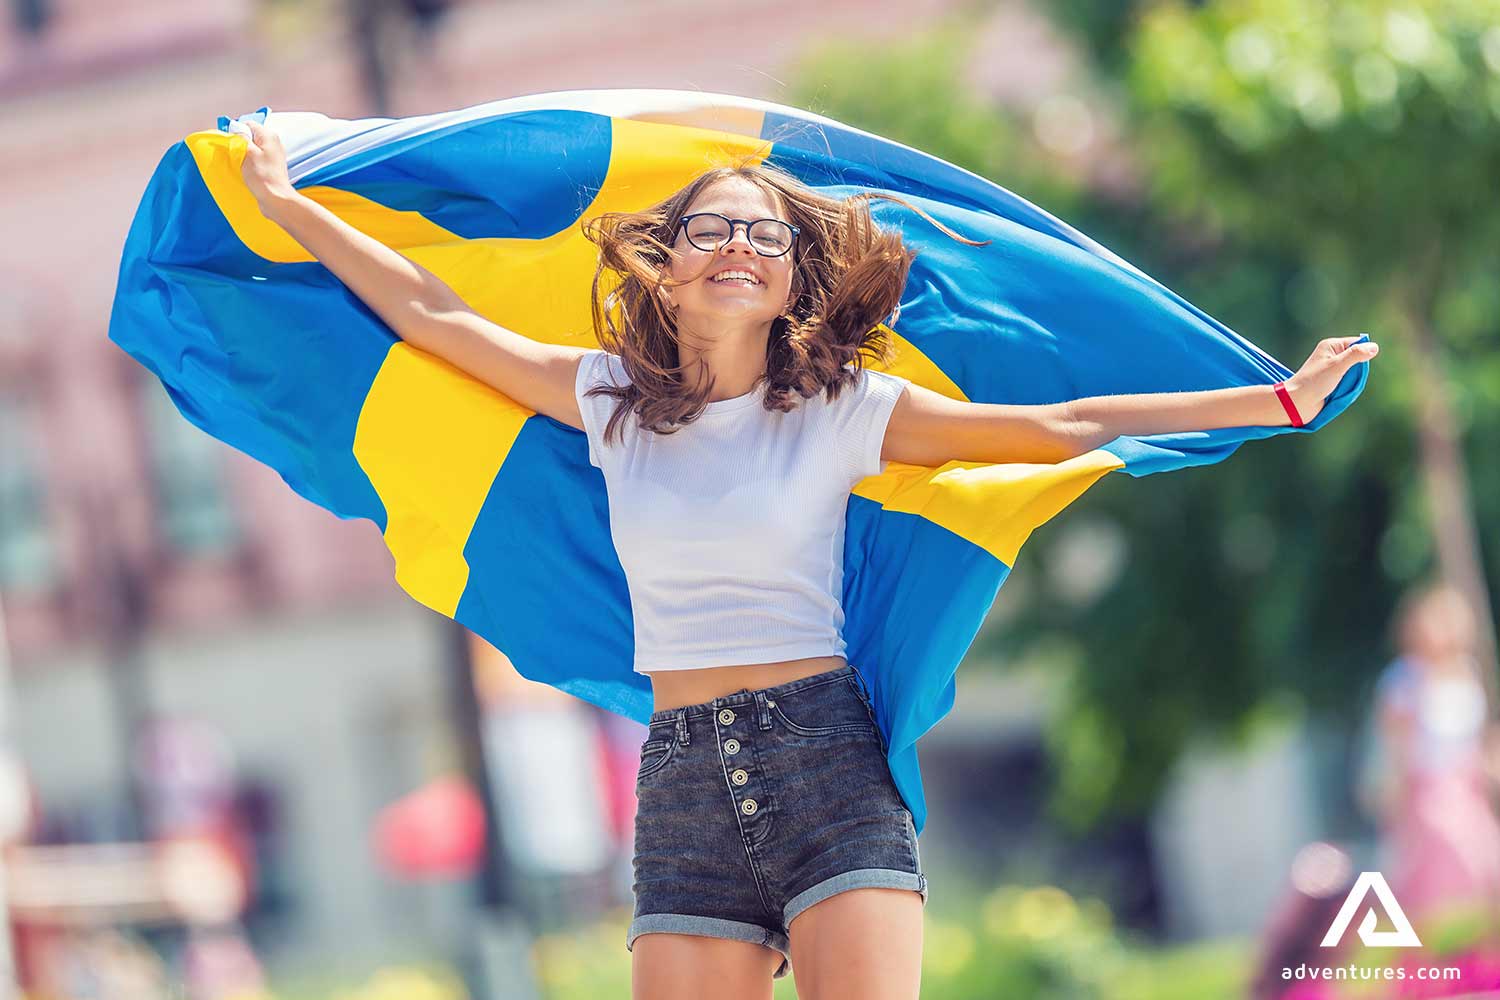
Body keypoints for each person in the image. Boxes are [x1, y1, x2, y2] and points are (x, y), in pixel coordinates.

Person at [236, 118, 1377, 1000]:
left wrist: (1272, 400)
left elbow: (1066, 422)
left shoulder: (841, 410)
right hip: (681, 782)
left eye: (765, 234)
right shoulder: (608, 400)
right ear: (668, 267)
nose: (738, 244)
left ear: (788, 283)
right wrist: (287, 206)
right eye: (712, 228)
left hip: (827, 768)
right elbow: (432, 312)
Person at [1366, 582, 1500, 928]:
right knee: (1440, 872)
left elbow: (1477, 740)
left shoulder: (1468, 673)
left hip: (1468, 792)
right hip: (1427, 792)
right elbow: (1394, 747)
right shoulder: (1403, 681)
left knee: (1481, 867)